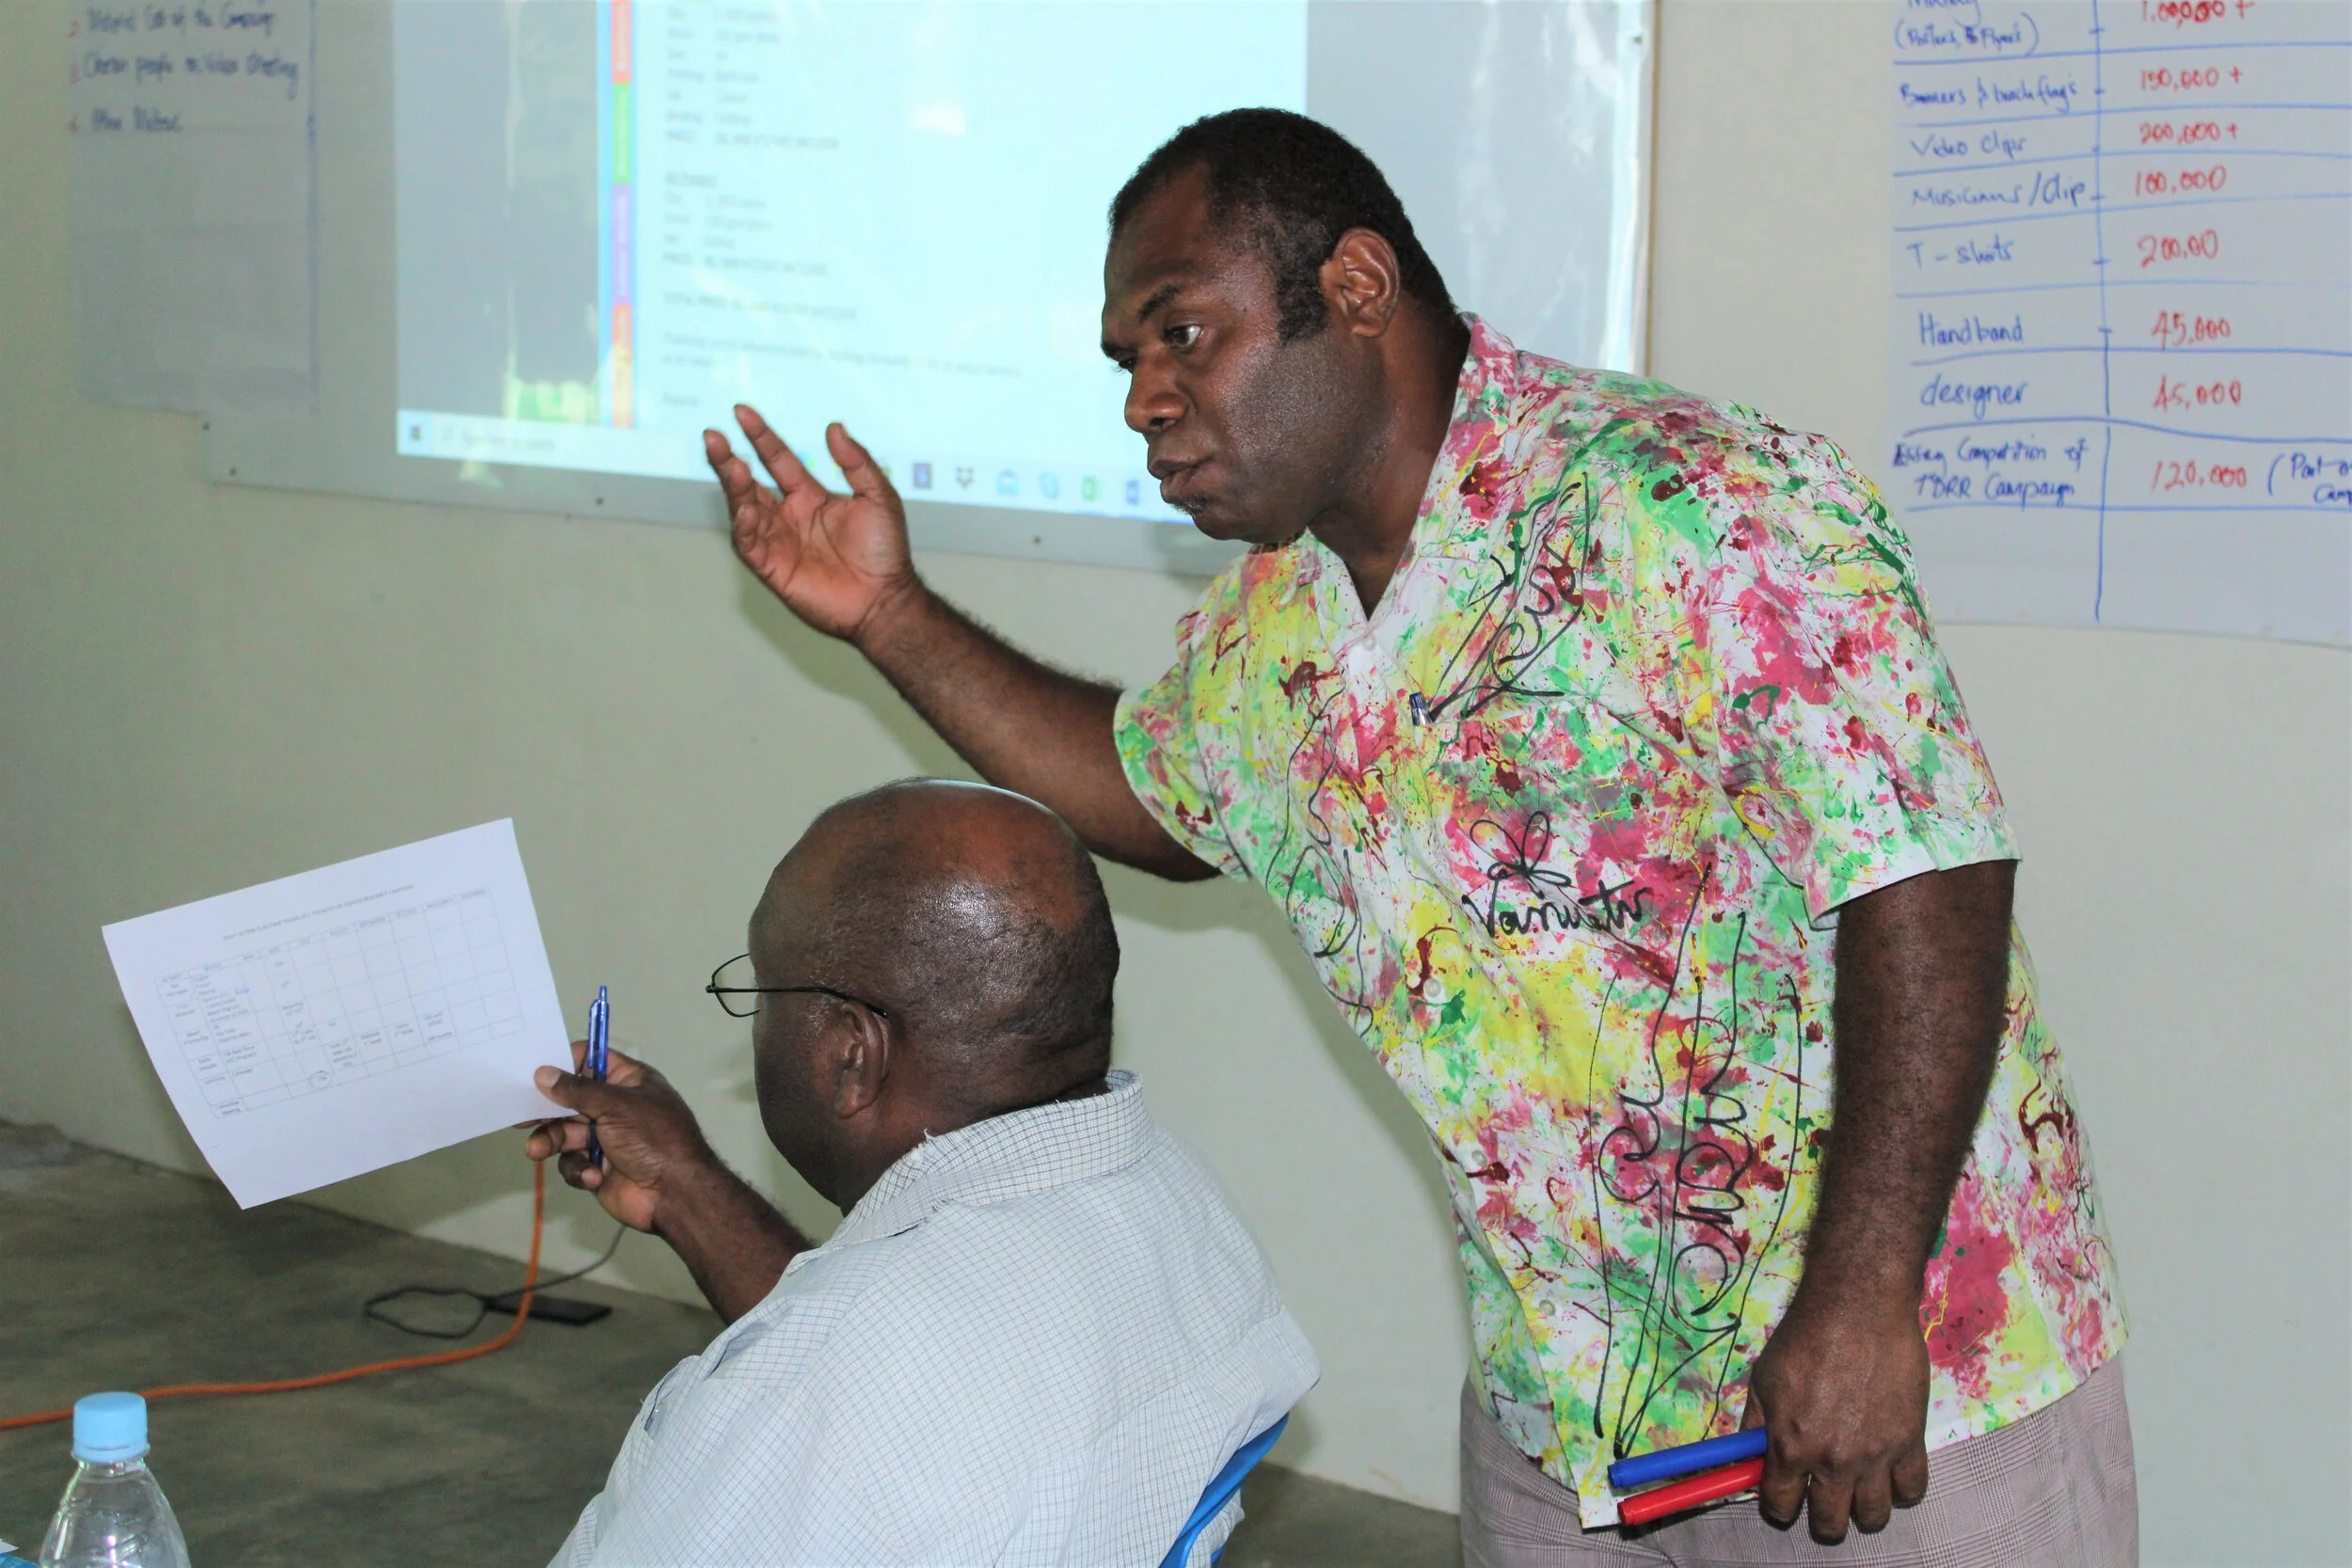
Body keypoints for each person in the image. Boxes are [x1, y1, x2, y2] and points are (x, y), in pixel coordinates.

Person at [697, 109, 2133, 1565]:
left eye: (1184, 333)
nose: (1147, 398)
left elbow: (1926, 868)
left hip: (1892, 1387)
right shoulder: (1284, 617)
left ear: (1361, 286)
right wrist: (888, 612)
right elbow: (1157, 798)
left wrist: (1866, 1291)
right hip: (1563, 1413)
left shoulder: (1697, 500)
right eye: (1129, 361)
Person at [522, 779, 1316, 1567]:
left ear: (850, 1054)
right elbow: (924, 1378)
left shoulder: (813, 1402)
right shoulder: (1181, 1201)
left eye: (762, 990)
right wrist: (683, 1187)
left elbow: (849, 1388)